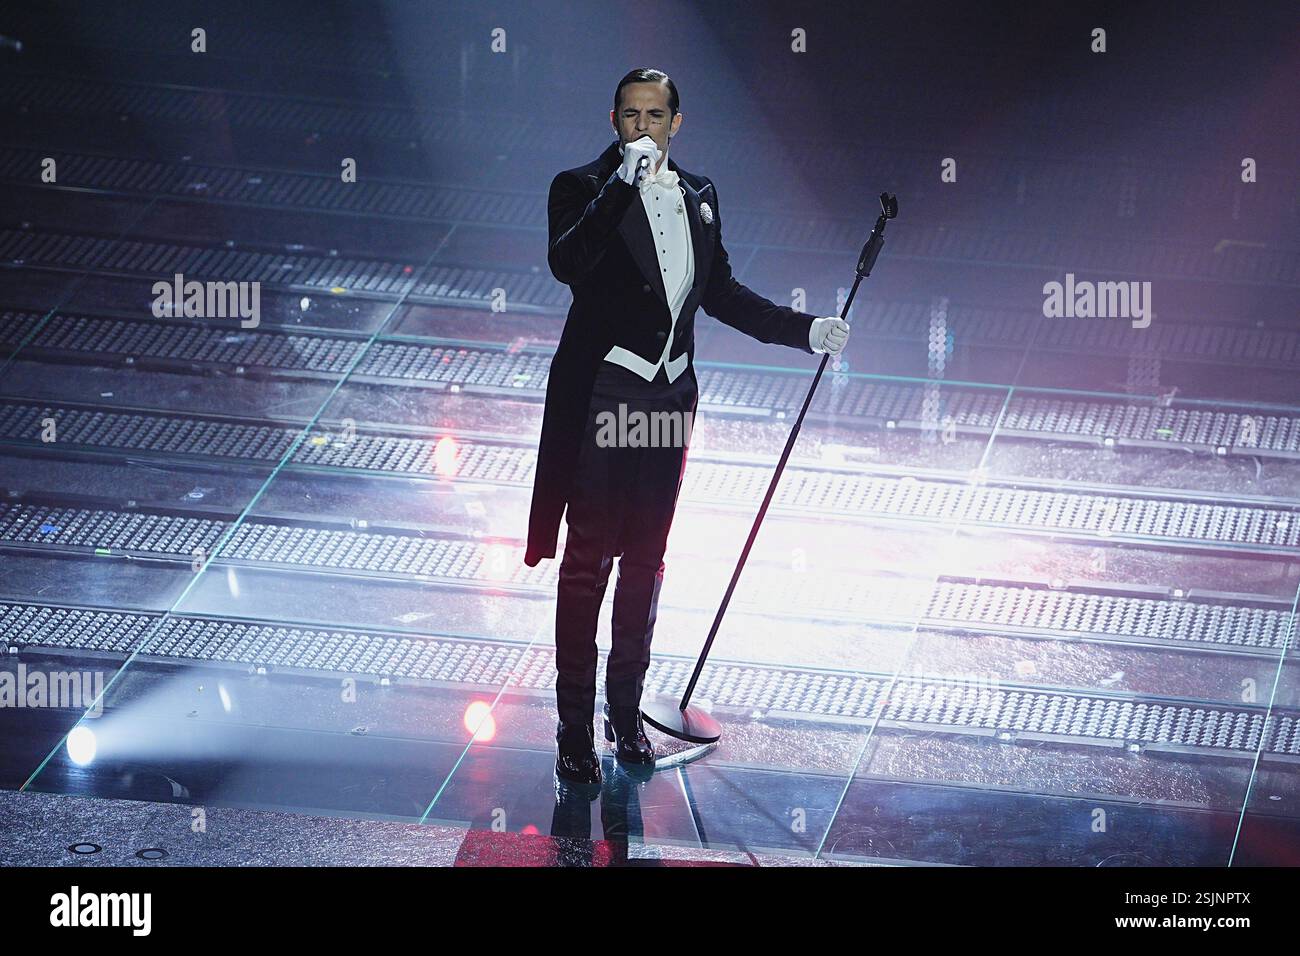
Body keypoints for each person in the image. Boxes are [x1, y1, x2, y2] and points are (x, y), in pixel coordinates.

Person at [524, 67, 849, 789]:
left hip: (667, 399)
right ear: (615, 121)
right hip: (608, 392)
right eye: (631, 115)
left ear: (678, 121)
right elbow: (567, 265)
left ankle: (626, 710)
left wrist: (806, 330)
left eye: (656, 115)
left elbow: (721, 292)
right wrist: (621, 187)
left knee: (645, 558)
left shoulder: (698, 197)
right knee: (590, 562)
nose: (644, 127)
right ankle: (573, 725)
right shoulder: (580, 187)